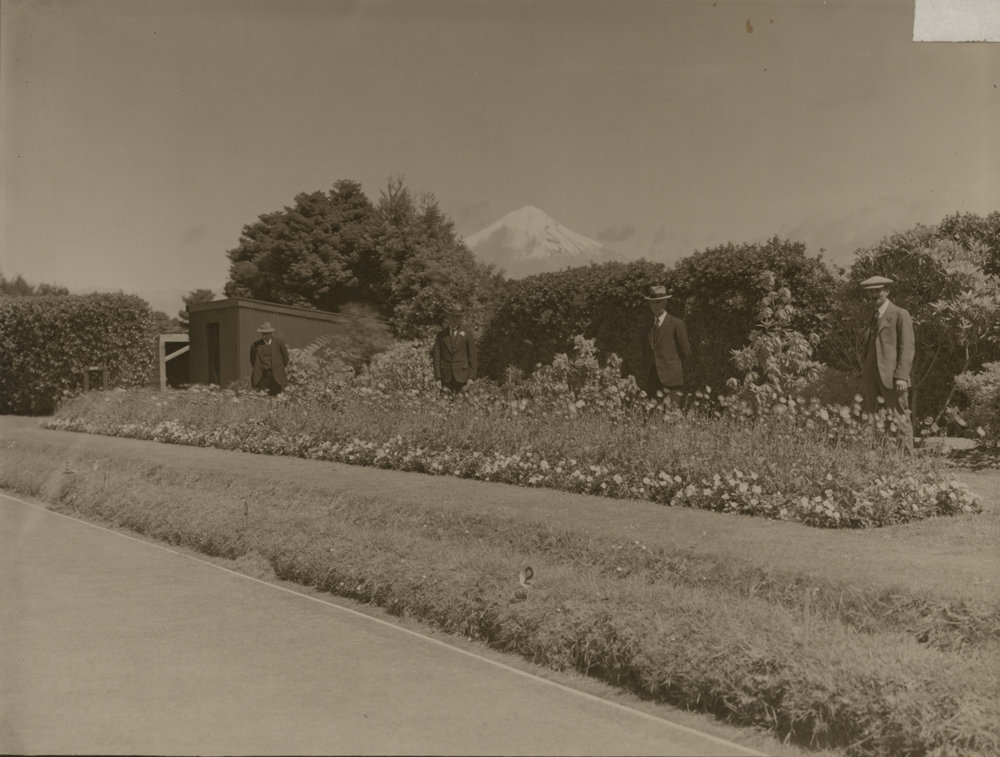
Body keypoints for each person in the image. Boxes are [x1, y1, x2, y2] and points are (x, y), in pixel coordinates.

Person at [859, 275, 914, 453]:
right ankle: (882, 457)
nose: (875, 294)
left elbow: (907, 347)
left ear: (887, 291)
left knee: (899, 417)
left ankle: (906, 462)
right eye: (871, 291)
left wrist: (901, 376)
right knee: (875, 417)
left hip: (892, 377)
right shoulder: (872, 315)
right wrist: (865, 367)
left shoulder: (900, 314)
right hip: (871, 376)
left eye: (878, 290)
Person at [641, 284, 692, 404]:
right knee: (651, 417)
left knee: (671, 417)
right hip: (652, 380)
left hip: (672, 381)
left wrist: (678, 376)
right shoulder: (648, 326)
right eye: (652, 303)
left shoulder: (676, 324)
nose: (654, 306)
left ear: (665, 303)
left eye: (658, 302)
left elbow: (686, 353)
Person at [432, 305, 477, 393]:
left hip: (463, 376)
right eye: (452, 316)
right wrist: (438, 377)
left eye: (457, 317)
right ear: (448, 317)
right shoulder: (441, 335)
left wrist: (471, 377)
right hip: (446, 377)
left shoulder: (467, 334)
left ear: (461, 318)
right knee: (445, 404)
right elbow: (436, 357)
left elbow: (473, 357)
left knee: (463, 403)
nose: (454, 319)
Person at [250, 321, 289, 395]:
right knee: (262, 398)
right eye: (263, 334)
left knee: (277, 397)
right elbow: (253, 361)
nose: (265, 336)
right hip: (262, 376)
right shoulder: (255, 345)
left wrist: (278, 368)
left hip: (276, 376)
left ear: (271, 333)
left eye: (267, 333)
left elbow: (285, 359)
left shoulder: (279, 343)